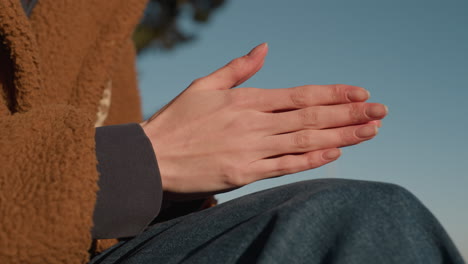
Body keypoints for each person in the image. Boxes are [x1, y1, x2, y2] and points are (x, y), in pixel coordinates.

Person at [0, 0, 464, 263]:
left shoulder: (99, 12)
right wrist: (138, 161)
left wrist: (172, 185)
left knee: (368, 212)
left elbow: (105, 220)